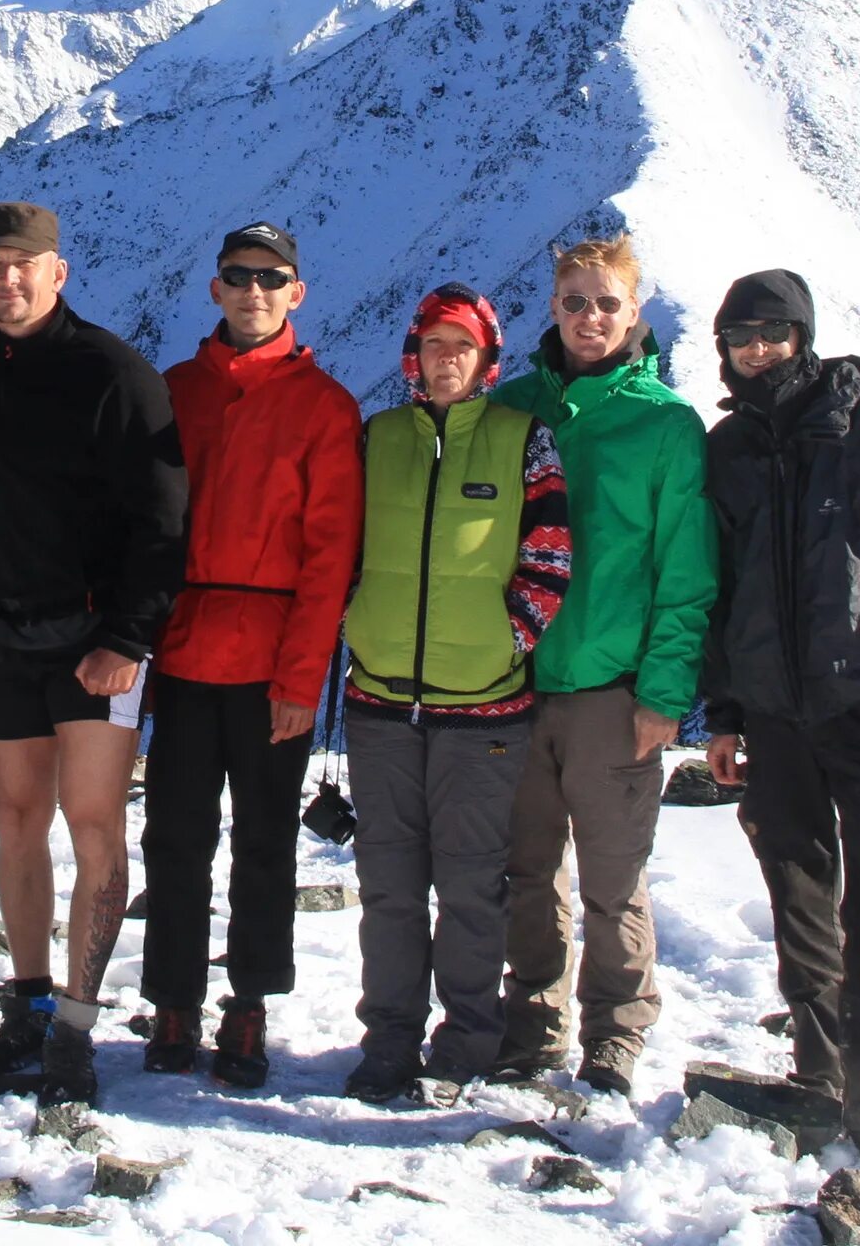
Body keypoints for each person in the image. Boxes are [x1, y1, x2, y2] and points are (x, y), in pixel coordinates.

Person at [700, 269, 860, 1190]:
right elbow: (720, 589)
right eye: (741, 336)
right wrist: (725, 712)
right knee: (799, 896)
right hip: (773, 716)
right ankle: (819, 1072)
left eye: (773, 332)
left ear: (803, 336)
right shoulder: (727, 447)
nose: (758, 349)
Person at [0, 201, 189, 1106]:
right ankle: (32, 1003)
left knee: (92, 826)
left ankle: (78, 1030)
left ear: (59, 270)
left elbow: (163, 518)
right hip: (5, 636)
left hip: (96, 646)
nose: (7, 281)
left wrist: (130, 638)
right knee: (16, 820)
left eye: (24, 264)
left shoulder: (114, 373)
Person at [488, 235, 719, 1093]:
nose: (590, 317)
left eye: (607, 303)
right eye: (575, 301)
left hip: (611, 693)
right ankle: (531, 1024)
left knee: (613, 878)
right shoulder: (512, 410)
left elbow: (685, 572)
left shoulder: (665, 424)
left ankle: (615, 1034)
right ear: (552, 308)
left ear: (636, 313)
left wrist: (663, 692)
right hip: (511, 684)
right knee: (526, 869)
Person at [138, 223, 361, 1089]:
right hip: (187, 655)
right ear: (216, 287)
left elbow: (329, 557)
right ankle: (173, 1000)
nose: (254, 291)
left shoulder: (324, 407)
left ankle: (249, 1005)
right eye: (239, 276)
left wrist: (304, 678)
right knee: (176, 839)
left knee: (265, 844)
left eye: (271, 279)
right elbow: (145, 528)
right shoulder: (175, 392)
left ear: (296, 293)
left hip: (273, 667)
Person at [337, 285, 572, 1106]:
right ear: (414, 353)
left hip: (486, 709)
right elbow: (337, 544)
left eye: (461, 346)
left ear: (485, 359)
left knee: (473, 888)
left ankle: (467, 1040)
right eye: (434, 344)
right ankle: (389, 1042)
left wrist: (509, 638)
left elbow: (550, 554)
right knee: (391, 889)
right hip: (380, 702)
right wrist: (355, 620)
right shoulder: (378, 437)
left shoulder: (521, 440)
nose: (446, 359)